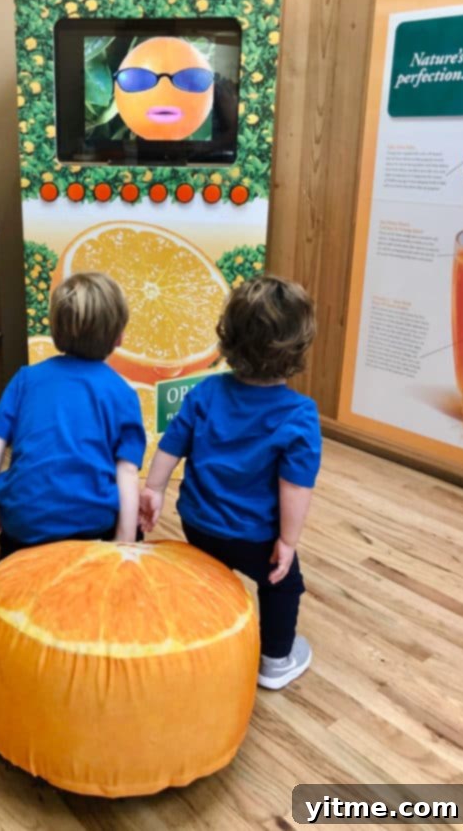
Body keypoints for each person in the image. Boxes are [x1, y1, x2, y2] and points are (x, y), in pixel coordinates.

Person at [139, 276, 321, 690]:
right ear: (298, 348)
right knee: (282, 584)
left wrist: (154, 488)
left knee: (209, 576)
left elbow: (171, 445)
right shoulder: (300, 415)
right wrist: (288, 543)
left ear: (227, 337)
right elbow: (295, 487)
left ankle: (204, 638)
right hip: (254, 537)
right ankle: (275, 660)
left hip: (197, 523)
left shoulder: (206, 392)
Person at [0, 272, 146, 560]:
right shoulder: (123, 393)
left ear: (55, 330)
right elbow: (126, 471)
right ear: (119, 337)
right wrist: (125, 540)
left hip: (22, 522)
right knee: (129, 527)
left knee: (17, 581)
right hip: (90, 526)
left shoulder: (26, 378)